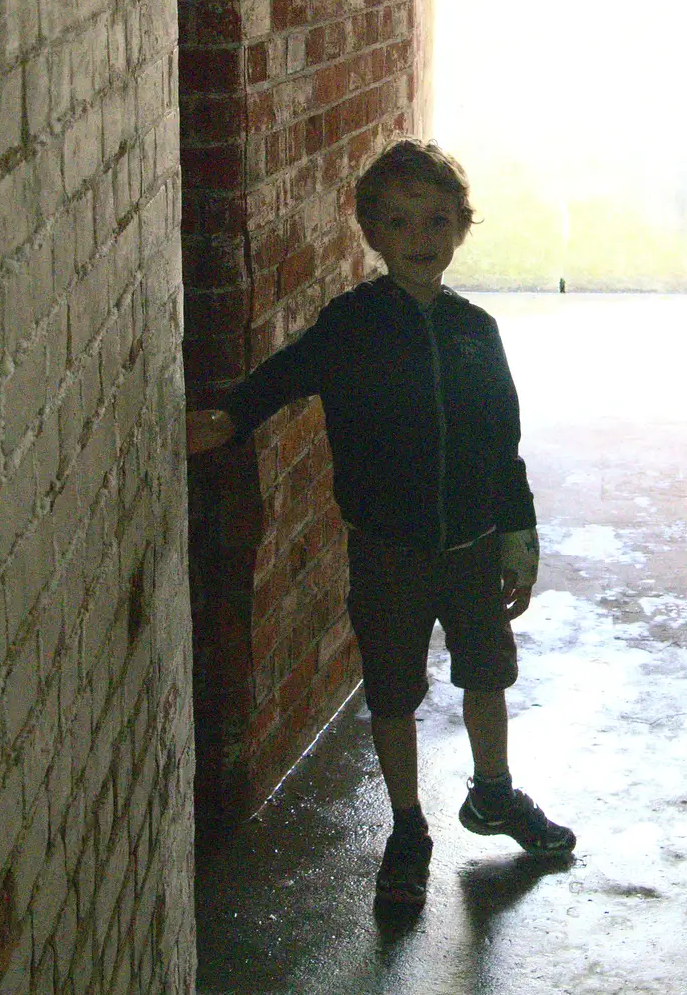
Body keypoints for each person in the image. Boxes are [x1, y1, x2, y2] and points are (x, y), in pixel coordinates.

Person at [186, 138, 575, 910]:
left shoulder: (475, 331)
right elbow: (284, 376)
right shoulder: (352, 325)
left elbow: (504, 443)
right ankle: (406, 827)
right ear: (371, 233)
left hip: (469, 549)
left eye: (436, 221)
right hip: (388, 552)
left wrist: (517, 543)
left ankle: (491, 794)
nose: (420, 239)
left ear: (460, 229)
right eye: (399, 223)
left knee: (487, 674)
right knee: (392, 690)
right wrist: (230, 416)